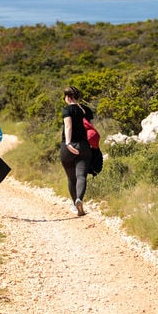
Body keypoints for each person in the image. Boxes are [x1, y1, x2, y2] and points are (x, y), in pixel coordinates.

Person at [60, 85, 94, 217]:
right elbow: (91, 128)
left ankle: (75, 203)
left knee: (71, 178)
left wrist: (68, 143)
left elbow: (68, 126)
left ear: (67, 97)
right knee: (81, 176)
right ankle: (80, 198)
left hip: (68, 147)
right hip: (84, 146)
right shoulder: (86, 110)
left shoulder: (67, 110)